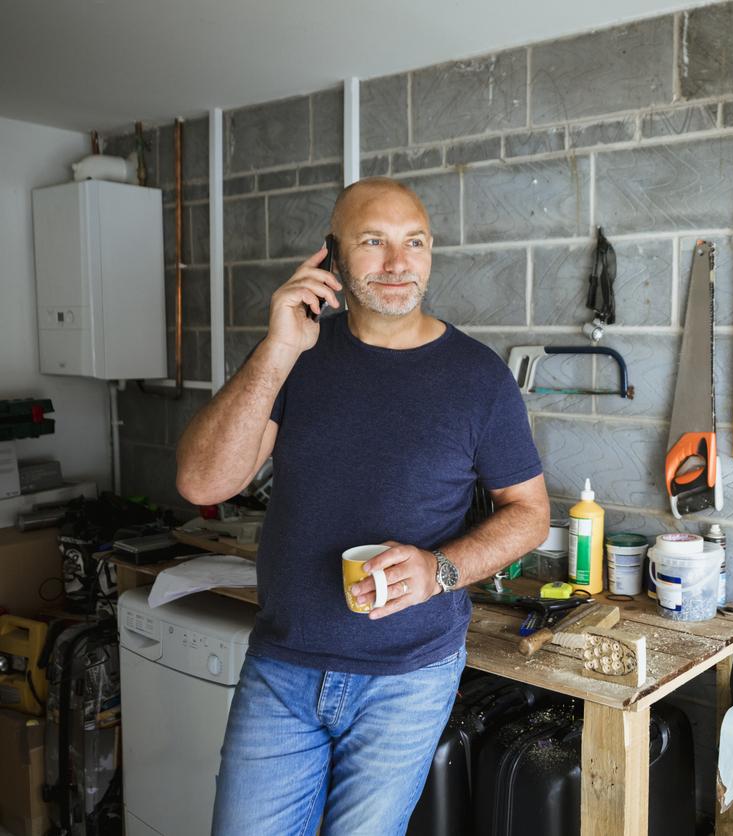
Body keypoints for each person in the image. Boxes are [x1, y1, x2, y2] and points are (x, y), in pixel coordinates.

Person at [175, 176, 550, 835]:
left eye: (416, 243)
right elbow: (205, 484)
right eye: (373, 242)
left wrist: (439, 569)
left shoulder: (477, 377)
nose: (399, 263)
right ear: (332, 256)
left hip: (408, 679)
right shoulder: (296, 357)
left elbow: (530, 513)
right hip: (282, 667)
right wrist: (280, 347)